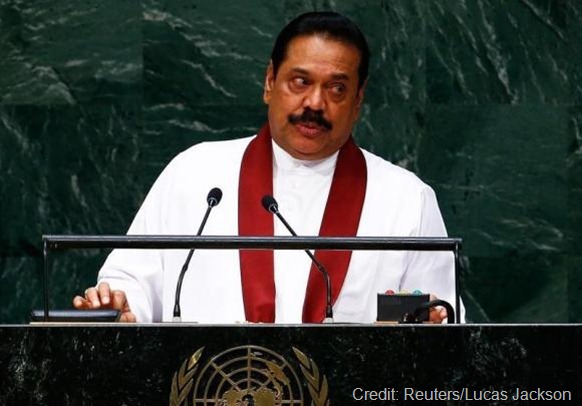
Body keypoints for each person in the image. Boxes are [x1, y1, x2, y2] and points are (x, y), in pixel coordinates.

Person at [74, 12, 464, 324]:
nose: (315, 103)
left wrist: (430, 323)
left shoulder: (406, 199)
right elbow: (132, 283)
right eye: (299, 81)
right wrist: (119, 305)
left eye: (337, 89)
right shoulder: (194, 174)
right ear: (269, 81)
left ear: (359, 100)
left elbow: (445, 319)